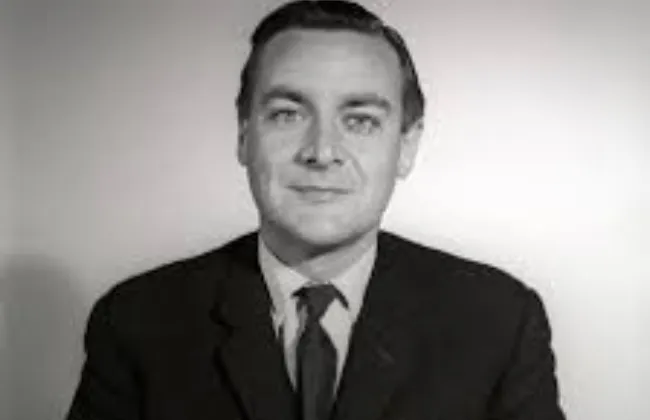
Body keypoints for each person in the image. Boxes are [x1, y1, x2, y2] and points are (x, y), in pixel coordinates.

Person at [67, 1, 565, 419]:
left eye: (360, 120)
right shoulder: (137, 323)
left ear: (407, 145)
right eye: (287, 114)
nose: (322, 151)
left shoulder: (499, 322)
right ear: (244, 135)